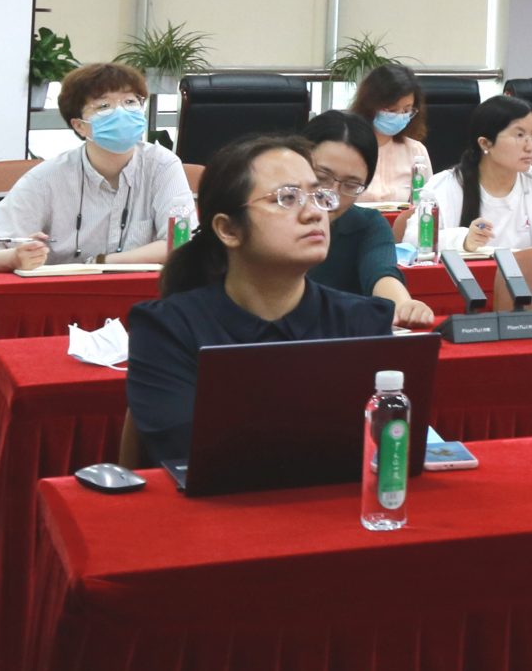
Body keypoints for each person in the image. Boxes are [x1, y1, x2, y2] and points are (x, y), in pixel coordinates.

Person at [124, 135, 393, 466]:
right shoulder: (167, 329)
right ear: (228, 229)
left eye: (318, 195)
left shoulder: (364, 322)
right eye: (287, 198)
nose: (314, 213)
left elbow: (384, 447)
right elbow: (190, 454)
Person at [0, 62, 196, 274]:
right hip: (64, 299)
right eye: (104, 106)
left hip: (143, 297)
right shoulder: (48, 178)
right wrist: (13, 257)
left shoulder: (162, 165)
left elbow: (181, 242)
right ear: (79, 126)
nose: (121, 112)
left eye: (130, 102)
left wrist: (103, 262)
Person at [299, 110, 435, 329]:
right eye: (322, 178)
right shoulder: (270, 219)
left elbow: (382, 273)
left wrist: (402, 304)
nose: (332, 194)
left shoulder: (366, 224)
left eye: (350, 185)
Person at [402, 94, 532, 252]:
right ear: (485, 143)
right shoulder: (444, 186)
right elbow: (412, 239)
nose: (530, 146)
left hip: (529, 275)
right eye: (520, 135)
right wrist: (462, 240)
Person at [347, 63, 432, 203]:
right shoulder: (346, 147)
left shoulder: (416, 151)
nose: (399, 116)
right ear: (370, 105)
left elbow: (426, 202)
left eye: (406, 110)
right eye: (392, 110)